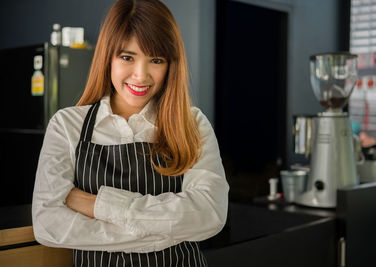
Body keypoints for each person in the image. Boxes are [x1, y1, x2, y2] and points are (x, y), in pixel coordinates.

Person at [32, 0, 229, 266]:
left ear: (171, 65)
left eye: (156, 60)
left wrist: (97, 205)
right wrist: (159, 234)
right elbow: (49, 225)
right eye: (127, 57)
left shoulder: (192, 124)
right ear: (107, 57)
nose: (141, 75)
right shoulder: (67, 125)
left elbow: (209, 214)